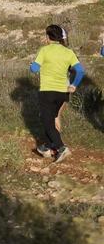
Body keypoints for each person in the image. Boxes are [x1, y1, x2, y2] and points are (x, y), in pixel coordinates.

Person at [30, 24, 84, 162]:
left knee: (47, 123)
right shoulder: (68, 52)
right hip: (63, 92)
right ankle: (46, 147)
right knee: (52, 118)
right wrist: (74, 85)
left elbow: (34, 69)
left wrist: (32, 64)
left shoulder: (44, 50)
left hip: (47, 91)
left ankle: (61, 148)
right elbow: (80, 71)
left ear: (48, 37)